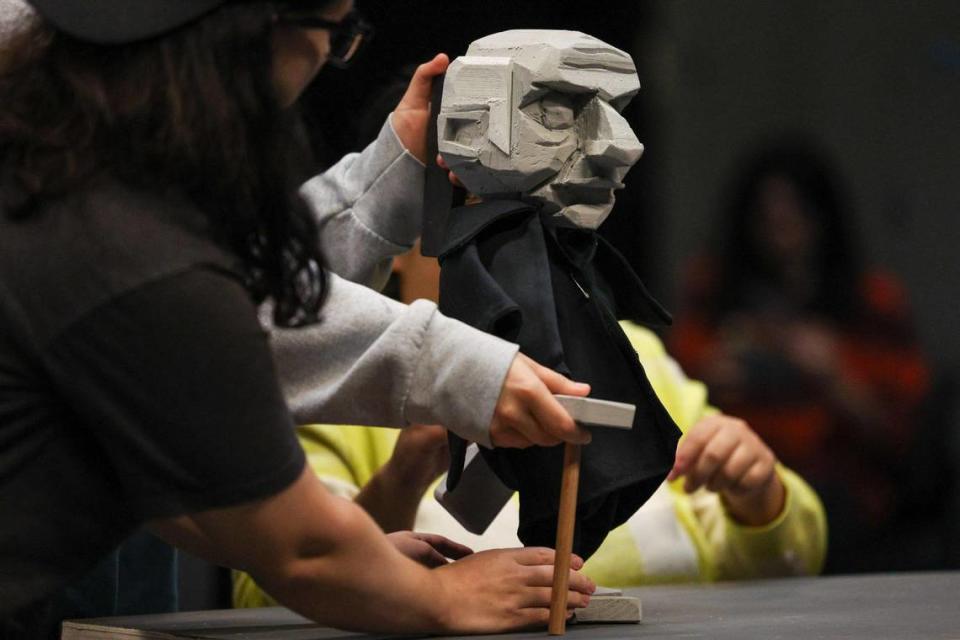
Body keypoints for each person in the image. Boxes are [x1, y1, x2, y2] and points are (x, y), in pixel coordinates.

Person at [0, 1, 599, 636]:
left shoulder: (58, 178)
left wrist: (368, 568)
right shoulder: (121, 240)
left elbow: (181, 487)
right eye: (335, 33)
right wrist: (438, 597)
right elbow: (303, 549)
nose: (325, 60)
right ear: (251, 34)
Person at [233, 245, 827, 607]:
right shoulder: (343, 382)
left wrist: (759, 494)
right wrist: (404, 473)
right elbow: (266, 592)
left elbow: (797, 552)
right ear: (400, 250)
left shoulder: (630, 354)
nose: (512, 265)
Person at [668, 139, 929, 573]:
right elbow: (673, 395)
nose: (781, 233)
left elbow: (906, 439)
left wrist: (832, 374)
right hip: (729, 488)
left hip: (841, 492)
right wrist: (712, 375)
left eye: (795, 216)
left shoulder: (872, 303)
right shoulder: (713, 293)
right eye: (767, 220)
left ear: (822, 219)